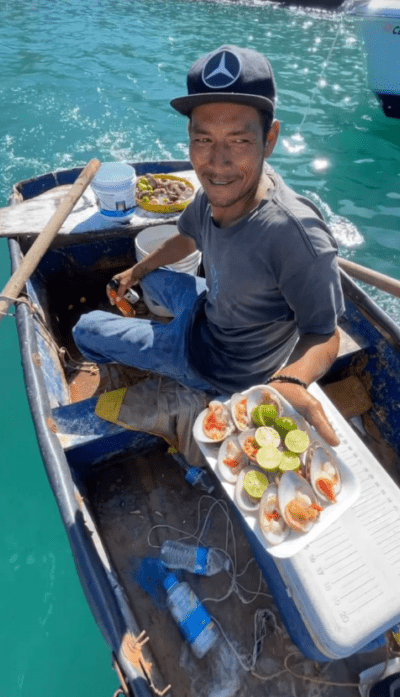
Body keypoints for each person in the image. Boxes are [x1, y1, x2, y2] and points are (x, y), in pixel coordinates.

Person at [73, 45, 344, 446]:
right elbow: (186, 238)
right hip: (209, 307)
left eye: (238, 140)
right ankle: (149, 315)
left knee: (85, 328)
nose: (217, 163)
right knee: (154, 280)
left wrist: (288, 380)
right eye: (204, 138)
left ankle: (119, 368)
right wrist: (138, 270)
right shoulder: (213, 191)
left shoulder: (297, 236)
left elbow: (324, 332)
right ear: (190, 137)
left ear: (269, 139)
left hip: (218, 363)